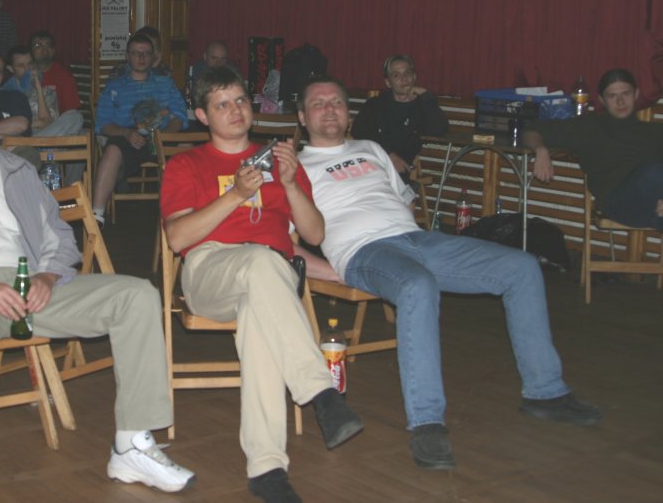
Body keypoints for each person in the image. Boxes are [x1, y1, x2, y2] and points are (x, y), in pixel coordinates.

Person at [0, 65, 195, 503]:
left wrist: (47, 275)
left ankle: (132, 444)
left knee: (137, 295)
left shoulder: (16, 169)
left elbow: (59, 238)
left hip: (29, 286)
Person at [296, 75, 602, 471]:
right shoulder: (294, 167)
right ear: (303, 117)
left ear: (348, 112)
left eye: (336, 102)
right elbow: (280, 241)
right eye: (318, 103)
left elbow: (404, 201)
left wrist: (412, 235)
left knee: (523, 267)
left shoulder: (372, 149)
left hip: (416, 239)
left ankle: (545, 392)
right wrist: (331, 270)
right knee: (417, 286)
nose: (329, 109)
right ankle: (427, 422)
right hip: (363, 252)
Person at [159, 67, 363, 503]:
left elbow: (314, 235)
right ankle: (320, 392)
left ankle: (267, 469)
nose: (235, 110)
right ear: (202, 115)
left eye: (240, 100)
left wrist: (289, 184)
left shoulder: (283, 161)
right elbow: (177, 239)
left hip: (273, 277)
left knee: (261, 310)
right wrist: (234, 195)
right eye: (222, 104)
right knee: (261, 262)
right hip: (210, 271)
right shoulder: (186, 164)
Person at [525, 68, 663, 230]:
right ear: (602, 100)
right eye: (612, 96)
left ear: (636, 94)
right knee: (653, 171)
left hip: (653, 206)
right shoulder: (590, 126)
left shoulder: (655, 132)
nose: (620, 101)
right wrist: (541, 150)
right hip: (618, 204)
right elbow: (531, 130)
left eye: (626, 94)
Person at [92, 34, 187, 224]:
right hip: (128, 137)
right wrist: (125, 133)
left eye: (146, 53)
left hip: (162, 136)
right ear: (127, 56)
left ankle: (185, 213)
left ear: (153, 57)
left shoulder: (166, 83)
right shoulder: (114, 86)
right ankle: (96, 215)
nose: (141, 58)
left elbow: (180, 117)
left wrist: (164, 136)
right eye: (136, 53)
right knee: (112, 150)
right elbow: (102, 123)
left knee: (188, 146)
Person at [350, 54, 448, 181]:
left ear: (414, 77)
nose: (404, 78)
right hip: (367, 163)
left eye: (408, 73)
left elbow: (439, 129)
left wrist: (426, 95)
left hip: (396, 174)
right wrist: (389, 155)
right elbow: (358, 130)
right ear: (388, 82)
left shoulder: (420, 108)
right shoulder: (376, 104)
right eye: (396, 75)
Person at [2, 45, 84, 137]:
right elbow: (8, 125)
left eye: (29, 64)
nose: (26, 69)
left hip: (47, 133)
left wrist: (39, 88)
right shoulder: (5, 93)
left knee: (75, 116)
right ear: (10, 68)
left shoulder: (45, 89)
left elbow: (47, 121)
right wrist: (36, 123)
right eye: (21, 65)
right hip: (22, 137)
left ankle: (41, 144)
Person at [29, 29, 82, 115]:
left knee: (76, 116)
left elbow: (71, 111)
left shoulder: (64, 76)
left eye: (48, 45)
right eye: (38, 46)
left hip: (57, 121)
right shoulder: (24, 73)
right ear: (31, 51)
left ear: (53, 50)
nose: (44, 49)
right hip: (28, 121)